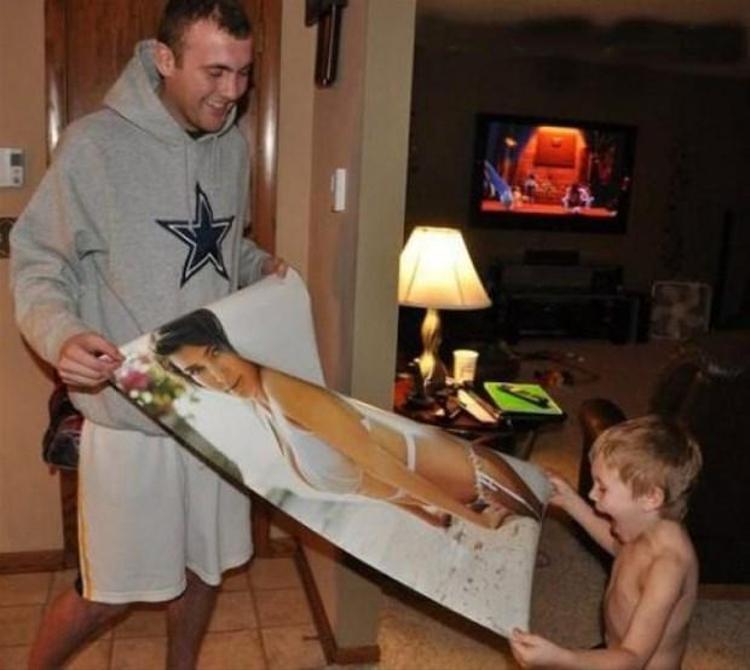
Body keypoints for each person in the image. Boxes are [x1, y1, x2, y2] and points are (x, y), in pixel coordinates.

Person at [9, 1, 285, 667]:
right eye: (215, 72)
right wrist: (61, 335)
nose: (232, 92)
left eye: (243, 73)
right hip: (133, 412)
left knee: (205, 569)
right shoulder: (93, 146)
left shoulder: (234, 147)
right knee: (106, 591)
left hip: (216, 405)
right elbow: (39, 260)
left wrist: (263, 267)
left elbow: (225, 248)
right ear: (165, 59)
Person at [152, 308, 545, 529]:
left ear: (231, 341)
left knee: (542, 521)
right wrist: (434, 518)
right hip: (451, 498)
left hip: (474, 477)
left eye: (215, 353)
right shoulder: (258, 402)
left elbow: (381, 465)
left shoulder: (283, 391)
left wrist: (471, 519)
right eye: (197, 371)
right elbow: (367, 486)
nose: (217, 375)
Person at [510, 415, 702, 670]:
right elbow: (616, 547)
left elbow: (633, 658)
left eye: (602, 488)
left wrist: (563, 658)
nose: (591, 494)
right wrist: (570, 501)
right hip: (616, 652)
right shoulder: (645, 527)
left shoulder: (668, 568)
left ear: (650, 497)